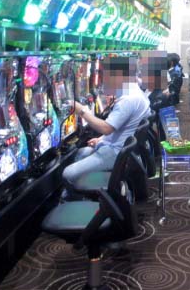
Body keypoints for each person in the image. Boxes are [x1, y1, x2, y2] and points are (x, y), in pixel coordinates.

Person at [61, 56, 150, 200]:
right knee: (80, 154)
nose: (105, 80)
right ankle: (82, 194)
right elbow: (121, 128)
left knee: (67, 174)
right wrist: (101, 139)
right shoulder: (135, 92)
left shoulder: (128, 100)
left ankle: (81, 201)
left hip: (114, 153)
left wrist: (81, 110)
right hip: (117, 147)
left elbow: (107, 128)